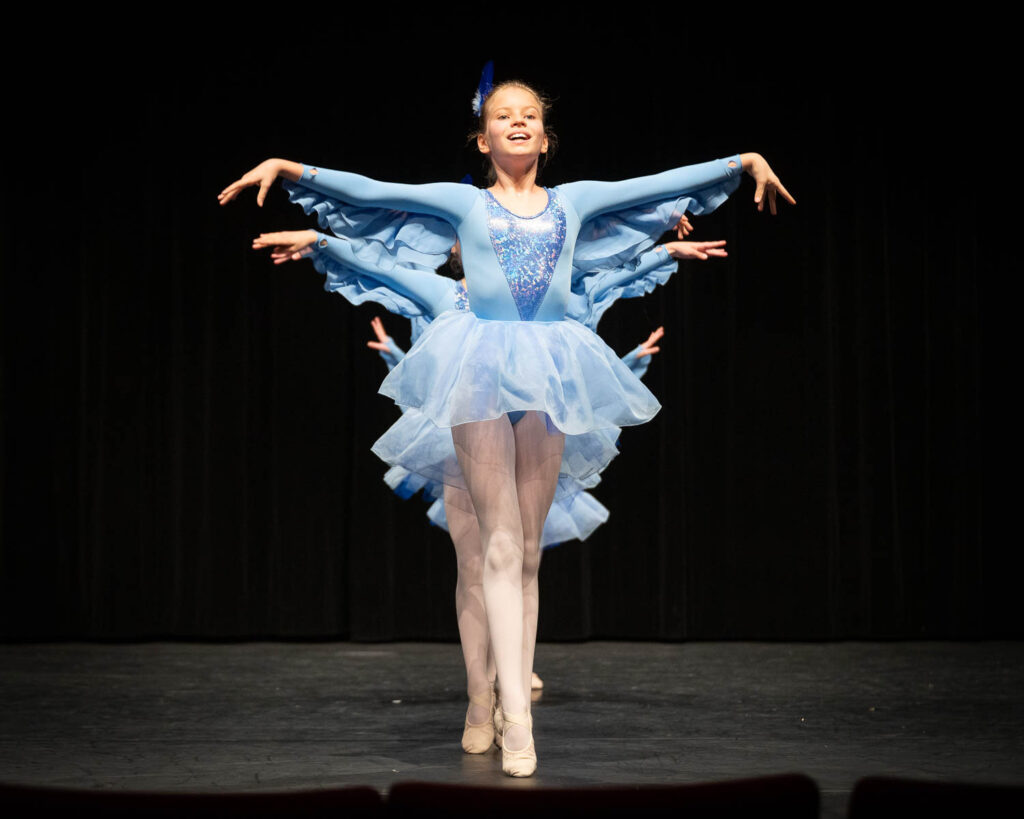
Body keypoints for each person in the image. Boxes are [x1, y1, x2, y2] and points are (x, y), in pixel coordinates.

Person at [219, 77, 793, 776]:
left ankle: (509, 693)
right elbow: (373, 191)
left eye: (530, 117)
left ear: (545, 139)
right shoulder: (464, 203)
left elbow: (654, 183)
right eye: (503, 116)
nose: (517, 123)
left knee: (524, 551)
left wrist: (740, 161)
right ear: (483, 139)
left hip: (551, 363)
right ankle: (503, 712)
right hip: (480, 363)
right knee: (493, 544)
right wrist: (291, 170)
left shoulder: (574, 202)